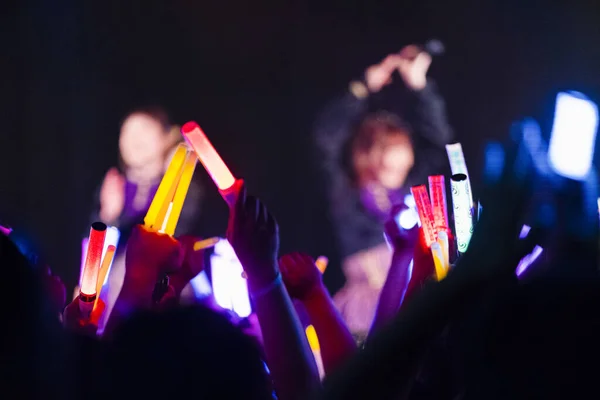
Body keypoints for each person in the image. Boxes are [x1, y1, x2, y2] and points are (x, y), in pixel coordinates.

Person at [314, 45, 454, 338]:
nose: (397, 162)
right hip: (369, 309)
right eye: (387, 151)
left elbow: (437, 141)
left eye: (402, 151)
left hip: (417, 296)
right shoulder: (350, 194)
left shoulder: (412, 184)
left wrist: (418, 84)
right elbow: (327, 136)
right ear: (369, 156)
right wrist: (363, 87)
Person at [86, 107, 204, 320]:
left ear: (166, 137)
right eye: (127, 131)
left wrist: (175, 183)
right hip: (118, 286)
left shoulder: (186, 184)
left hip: (170, 281)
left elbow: (183, 229)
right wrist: (108, 215)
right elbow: (94, 246)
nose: (134, 139)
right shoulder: (114, 184)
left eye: (144, 130)